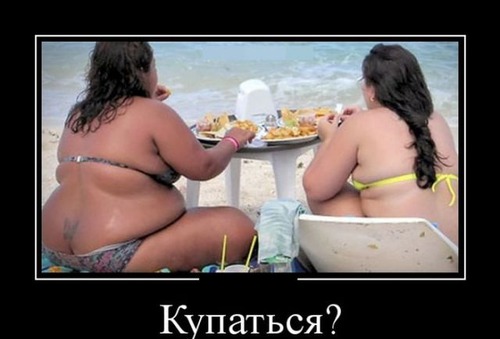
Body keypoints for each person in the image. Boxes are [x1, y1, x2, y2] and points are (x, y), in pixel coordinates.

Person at [42, 42, 257, 272]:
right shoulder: (154, 113)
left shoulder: (78, 114)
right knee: (237, 227)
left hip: (53, 245)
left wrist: (149, 100)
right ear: (144, 70)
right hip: (114, 254)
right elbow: (204, 166)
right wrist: (232, 140)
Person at [303, 44, 458, 245]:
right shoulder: (437, 119)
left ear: (372, 91)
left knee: (323, 193)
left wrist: (330, 139)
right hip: (451, 248)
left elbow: (314, 188)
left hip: (402, 248)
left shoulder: (361, 123)